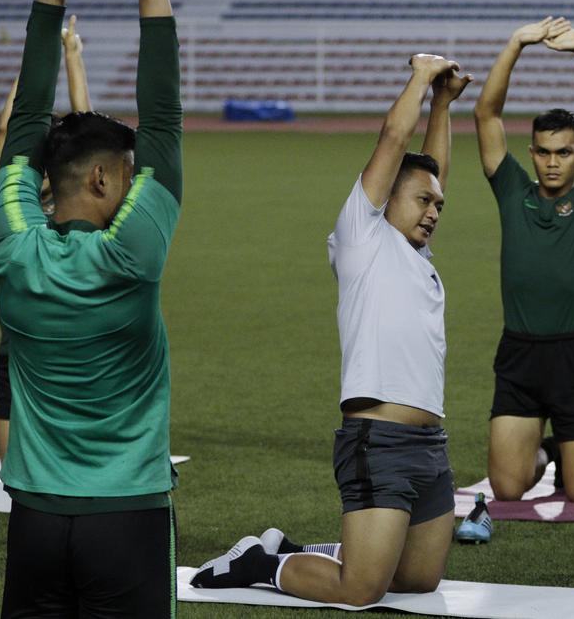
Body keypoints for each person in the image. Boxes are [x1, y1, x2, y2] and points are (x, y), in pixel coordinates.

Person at [191, 55, 472, 607]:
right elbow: (395, 141)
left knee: (418, 580)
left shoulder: (416, 253)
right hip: (379, 441)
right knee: (363, 590)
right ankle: (262, 562)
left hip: (429, 445)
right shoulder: (362, 240)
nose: (434, 210)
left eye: (439, 204)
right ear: (384, 197)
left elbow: (427, 168)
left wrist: (443, 103)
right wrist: (421, 77)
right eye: (422, 201)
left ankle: (302, 548)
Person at [0, 0, 183, 617]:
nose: (134, 183)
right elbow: (164, 122)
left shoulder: (10, 244)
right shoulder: (132, 257)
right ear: (100, 178)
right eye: (126, 175)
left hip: (35, 518)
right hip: (125, 515)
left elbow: (26, 121)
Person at [473, 17, 574, 504]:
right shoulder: (512, 191)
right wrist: (516, 41)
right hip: (519, 353)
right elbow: (486, 114)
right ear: (532, 153)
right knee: (508, 487)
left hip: (572, 356)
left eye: (563, 152)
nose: (552, 162)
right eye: (543, 152)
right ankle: (552, 450)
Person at [0, 14, 90, 461]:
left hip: (27, 325)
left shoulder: (15, 203)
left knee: (10, 395)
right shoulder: (76, 199)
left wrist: (50, 57)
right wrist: (66, 56)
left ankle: (19, 491)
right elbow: (84, 127)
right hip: (71, 324)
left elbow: (5, 126)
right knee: (18, 397)